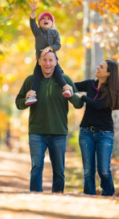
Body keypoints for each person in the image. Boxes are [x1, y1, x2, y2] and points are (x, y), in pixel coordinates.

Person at [15, 51, 83, 193]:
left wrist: (70, 93)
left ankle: (58, 197)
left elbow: (78, 104)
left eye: (51, 60)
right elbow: (18, 103)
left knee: (59, 171)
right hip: (36, 132)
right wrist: (26, 98)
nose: (47, 63)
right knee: (36, 168)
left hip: (58, 132)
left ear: (56, 62)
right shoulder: (30, 80)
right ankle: (35, 196)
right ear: (39, 61)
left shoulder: (65, 80)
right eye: (44, 60)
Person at [75, 60, 119, 196]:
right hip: (86, 132)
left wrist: (82, 97)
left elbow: (97, 105)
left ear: (108, 73)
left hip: (104, 134)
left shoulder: (111, 92)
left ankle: (108, 195)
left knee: (104, 170)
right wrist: (58, 74)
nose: (97, 67)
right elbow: (72, 86)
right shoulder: (89, 84)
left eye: (101, 67)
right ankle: (89, 199)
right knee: (88, 171)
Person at [25, 1, 72, 105]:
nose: (45, 20)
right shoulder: (37, 32)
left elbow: (58, 45)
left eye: (48, 19)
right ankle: (32, 96)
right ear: (39, 23)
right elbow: (32, 24)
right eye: (43, 18)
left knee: (59, 75)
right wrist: (33, 13)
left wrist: (49, 48)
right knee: (36, 77)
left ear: (52, 24)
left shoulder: (55, 33)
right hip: (40, 61)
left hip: (53, 61)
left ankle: (66, 89)